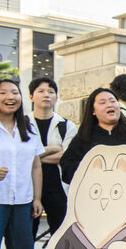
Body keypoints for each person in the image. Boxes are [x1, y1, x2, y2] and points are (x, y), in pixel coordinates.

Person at [60, 87, 126, 226]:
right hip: (98, 207)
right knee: (104, 245)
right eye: (102, 102)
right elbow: (67, 168)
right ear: (93, 111)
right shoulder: (84, 137)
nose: (109, 105)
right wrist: (91, 167)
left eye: (113, 101)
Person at [0, 78, 43, 249]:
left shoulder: (28, 128)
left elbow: (36, 165)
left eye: (14, 92)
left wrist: (37, 198)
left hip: (22, 200)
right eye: (3, 93)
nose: (9, 97)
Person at [29, 76, 77, 239]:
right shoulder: (22, 123)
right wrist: (54, 148)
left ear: (56, 97)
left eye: (51, 92)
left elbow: (66, 156)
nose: (46, 95)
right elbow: (20, 155)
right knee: (25, 235)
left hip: (57, 187)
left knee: (61, 235)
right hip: (28, 187)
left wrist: (34, 156)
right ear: (31, 97)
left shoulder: (66, 125)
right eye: (40, 91)